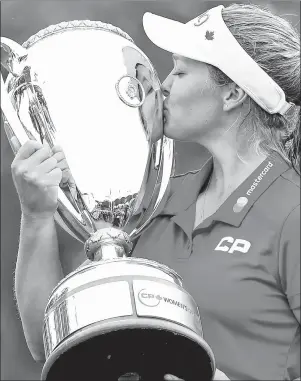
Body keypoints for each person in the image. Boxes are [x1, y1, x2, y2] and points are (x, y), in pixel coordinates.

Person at [10, 3, 300, 381]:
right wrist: (36, 217)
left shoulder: (292, 211)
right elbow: (46, 339)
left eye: (180, 71)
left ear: (231, 94)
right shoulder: (157, 201)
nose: (163, 85)